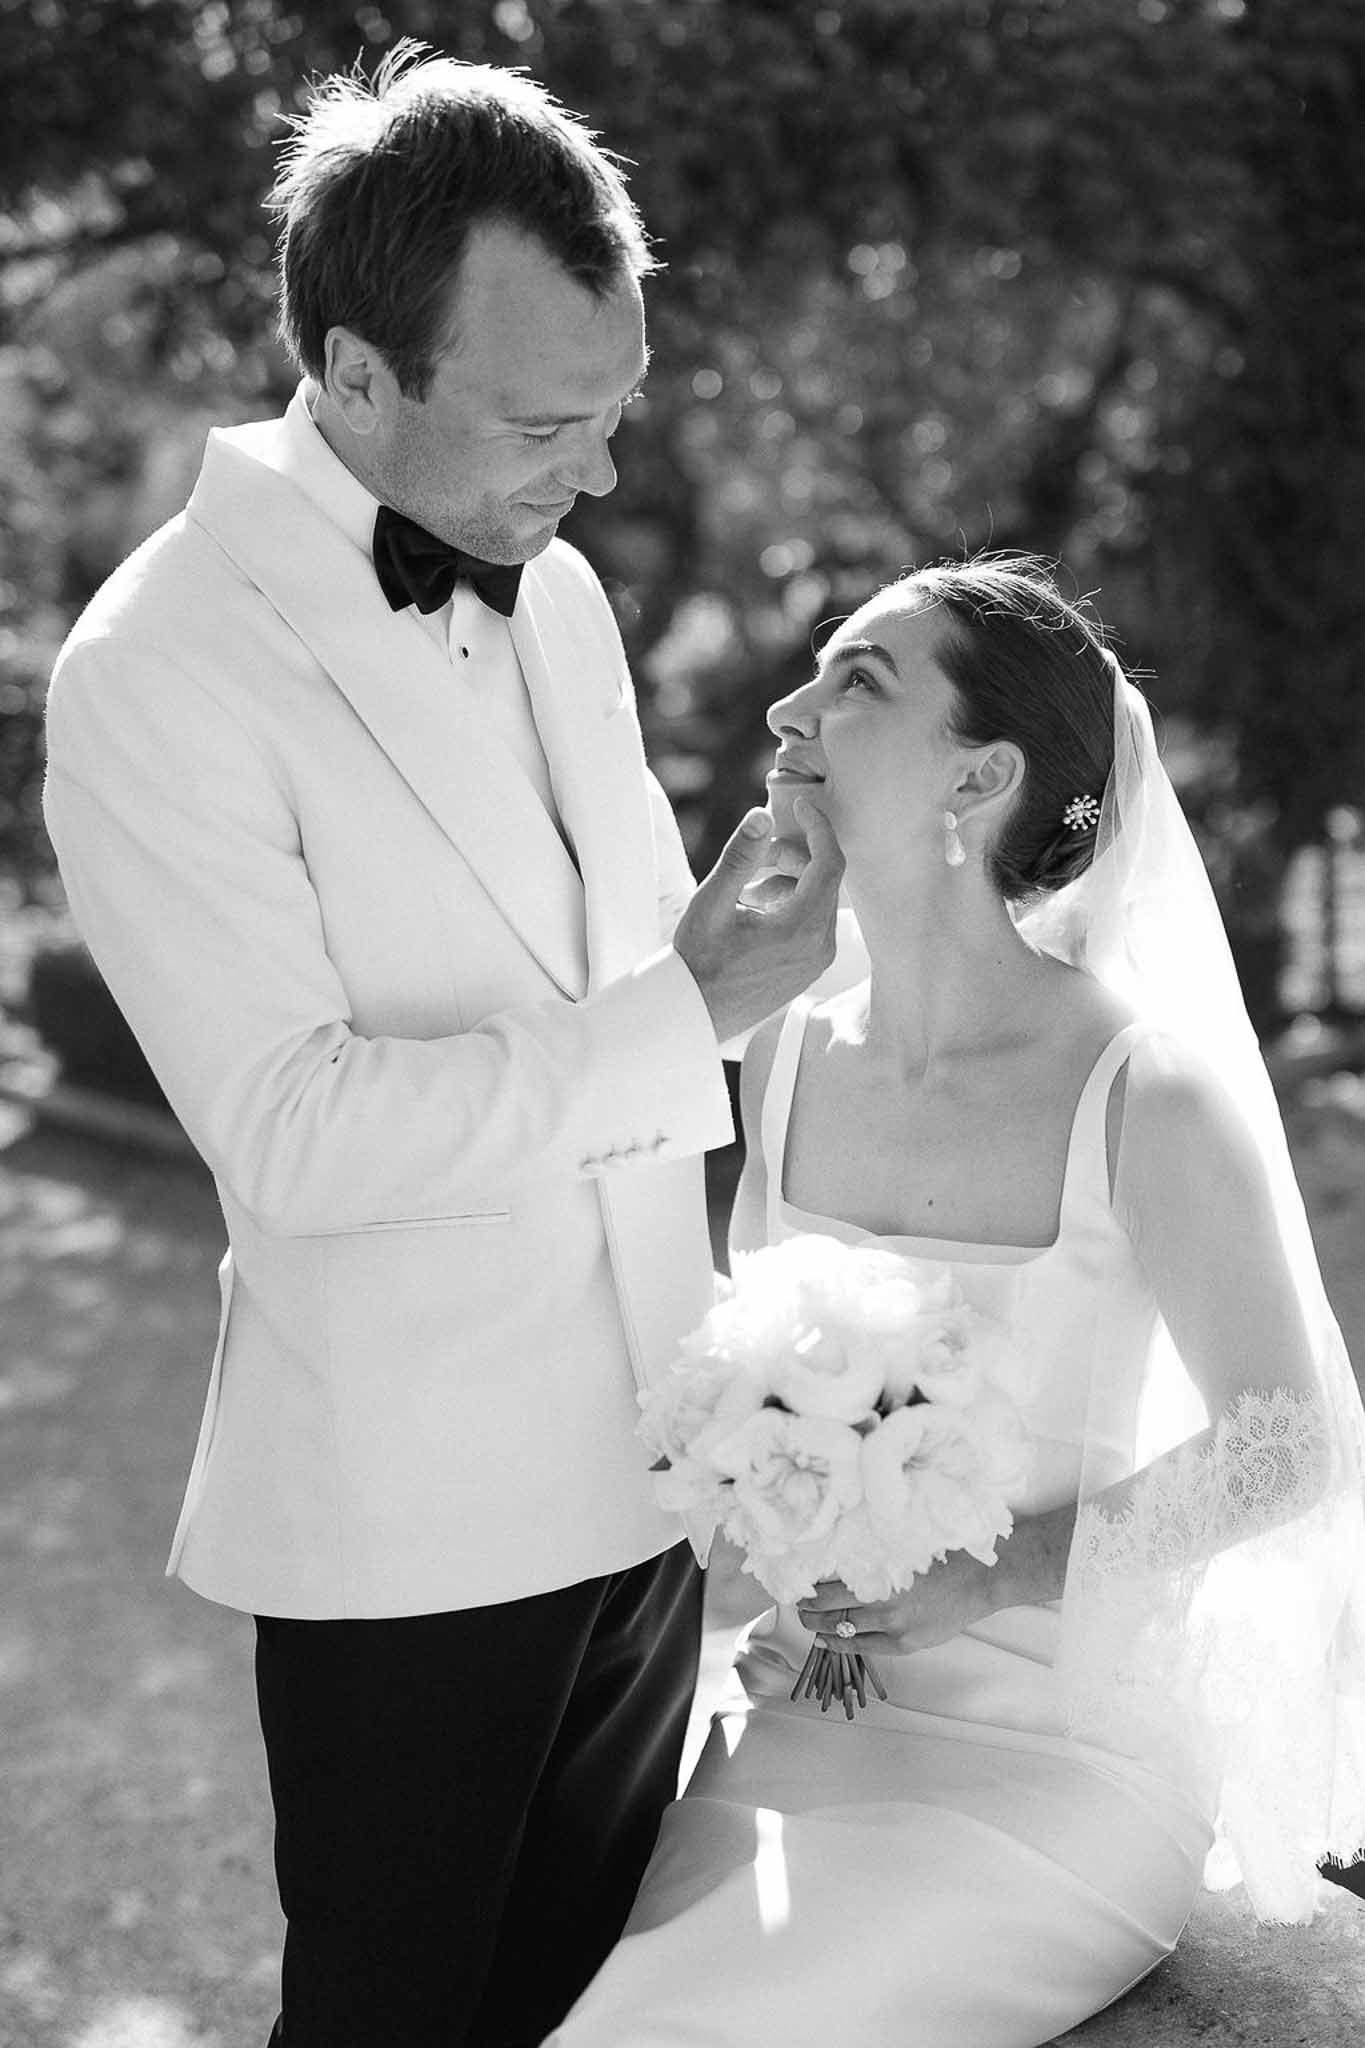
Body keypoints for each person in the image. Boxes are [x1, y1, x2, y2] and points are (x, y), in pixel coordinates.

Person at [40, 47, 846, 2048]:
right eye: (547, 422)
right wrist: (684, 1015)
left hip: (645, 1484)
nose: (596, 475)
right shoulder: (158, 665)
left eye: (619, 409)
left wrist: (753, 948)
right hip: (410, 1531)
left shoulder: (556, 589)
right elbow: (293, 1131)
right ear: (354, 369)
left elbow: (622, 991)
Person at [549, 555, 1365, 2047]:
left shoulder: (1142, 1091)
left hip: (1052, 1772)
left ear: (977, 776)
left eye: (857, 682)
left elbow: (1286, 1447)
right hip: (796, 1713)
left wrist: (992, 1572)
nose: (791, 709)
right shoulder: (778, 1057)